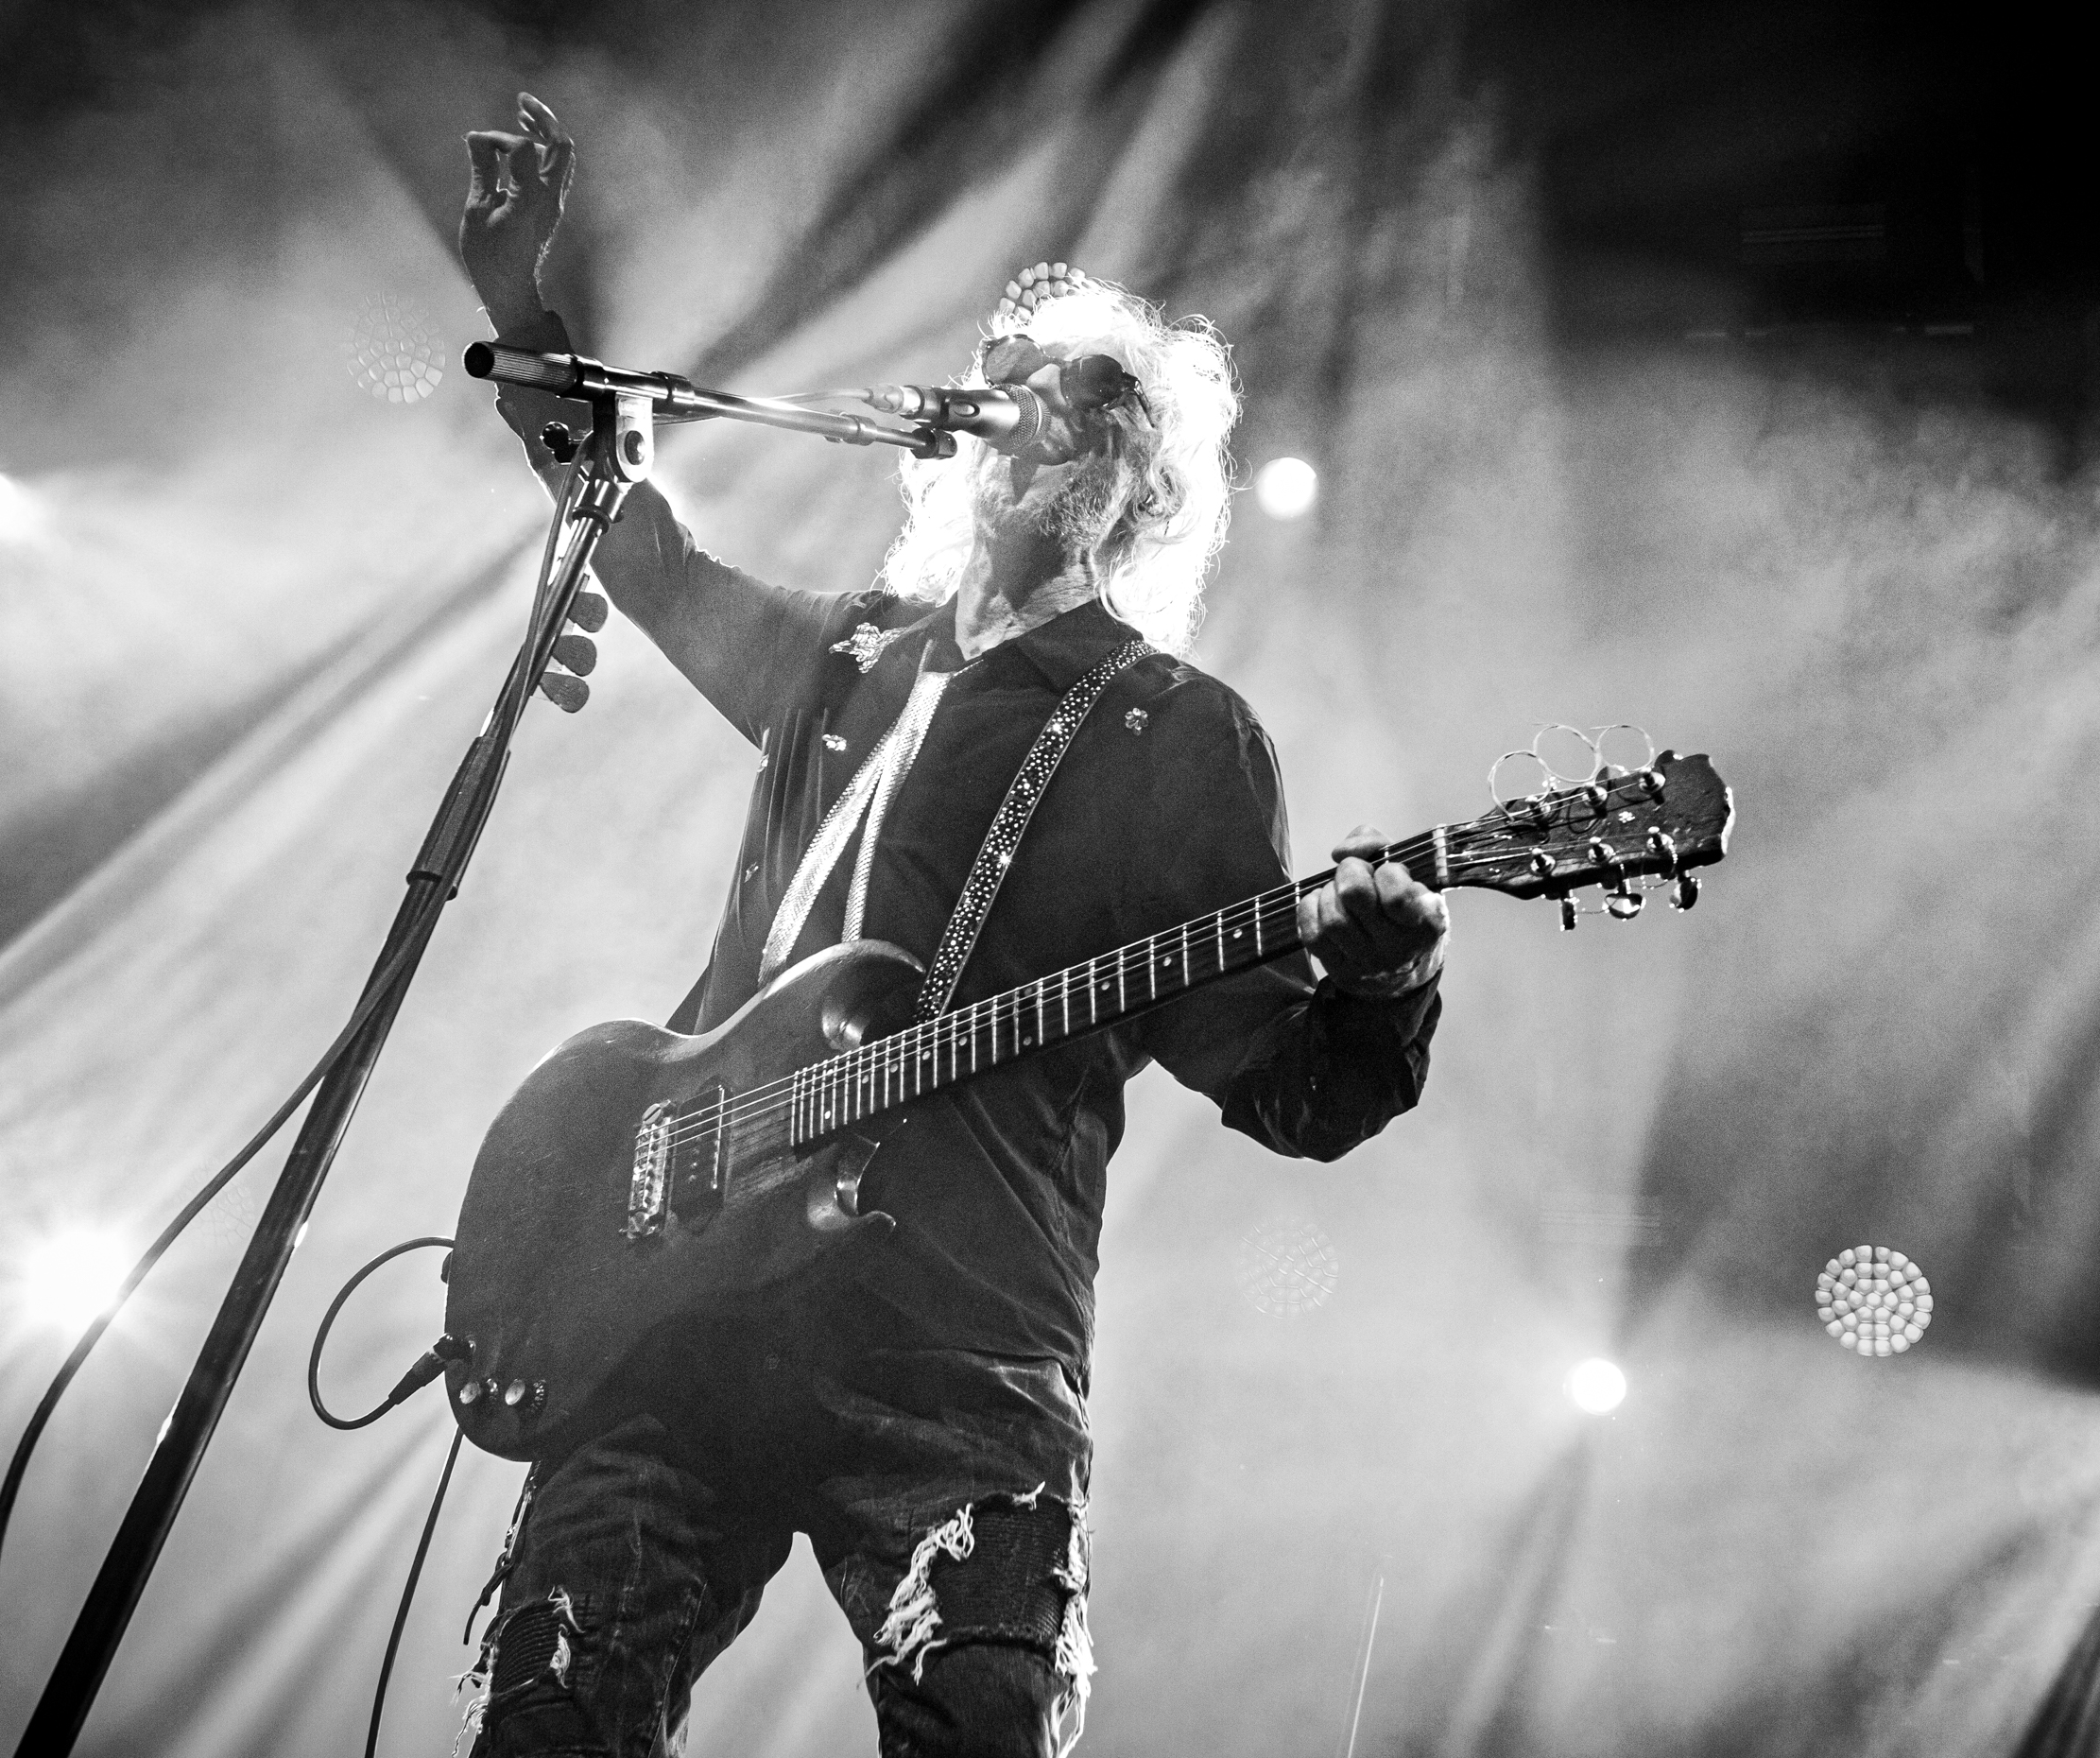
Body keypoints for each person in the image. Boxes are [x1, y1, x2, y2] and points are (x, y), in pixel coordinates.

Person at [456, 92, 1448, 1758]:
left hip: (956, 1349)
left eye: (1100, 403)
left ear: (1143, 486)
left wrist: (1390, 975)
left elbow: (1298, 1089)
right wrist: (519, 308)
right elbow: (644, 552)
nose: (1047, 412)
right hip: (673, 1303)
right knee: (553, 1726)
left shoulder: (1177, 735)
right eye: (1028, 384)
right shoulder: (847, 657)